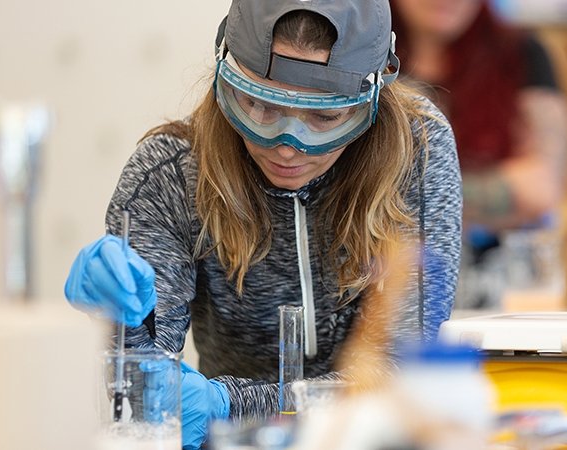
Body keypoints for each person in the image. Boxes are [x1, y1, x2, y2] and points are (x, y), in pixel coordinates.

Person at [63, 0, 461, 448]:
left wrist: (232, 407)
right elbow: (139, 395)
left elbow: (404, 376)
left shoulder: (417, 150)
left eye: (325, 116)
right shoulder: (170, 174)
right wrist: (122, 327)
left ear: (373, 96)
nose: (288, 146)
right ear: (223, 72)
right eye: (259, 105)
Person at [389, 0, 567, 307]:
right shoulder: (362, 56)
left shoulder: (520, 52)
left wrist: (403, 196)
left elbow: (541, 187)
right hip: (390, 287)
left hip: (502, 292)